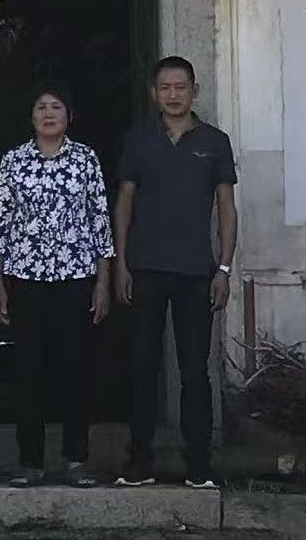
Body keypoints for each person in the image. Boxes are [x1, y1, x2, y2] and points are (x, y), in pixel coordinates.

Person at [113, 56, 238, 490]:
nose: (172, 95)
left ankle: (198, 462)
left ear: (194, 91)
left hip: (196, 272)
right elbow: (124, 202)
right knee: (142, 365)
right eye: (164, 87)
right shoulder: (139, 140)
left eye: (180, 87)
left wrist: (224, 268)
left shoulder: (215, 142)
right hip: (145, 268)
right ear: (154, 93)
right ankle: (139, 459)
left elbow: (226, 207)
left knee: (195, 370)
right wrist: (121, 262)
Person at [0, 83, 113, 488]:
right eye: (40, 107)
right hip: (26, 277)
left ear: (69, 116)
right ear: (31, 116)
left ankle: (76, 459)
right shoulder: (14, 161)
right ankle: (30, 461)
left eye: (56, 107)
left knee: (75, 369)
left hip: (76, 277)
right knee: (28, 371)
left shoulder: (85, 159)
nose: (48, 113)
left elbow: (100, 221)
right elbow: (1, 226)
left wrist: (102, 282)